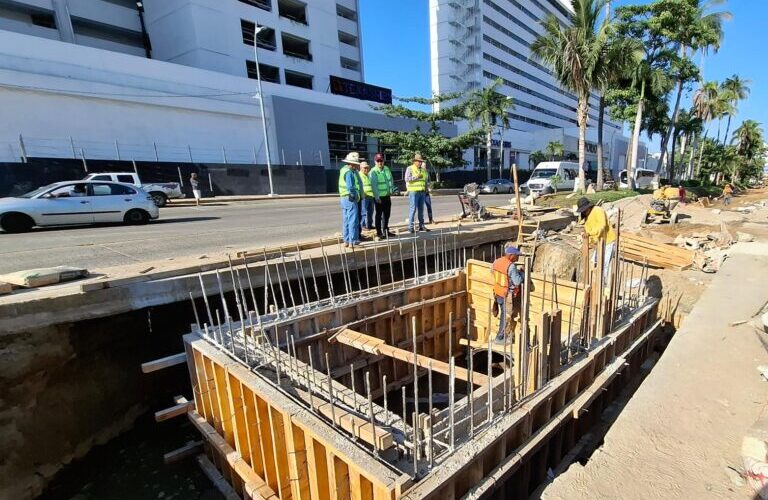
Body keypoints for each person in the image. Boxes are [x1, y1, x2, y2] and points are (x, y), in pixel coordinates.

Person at [575, 197, 616, 280]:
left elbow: (602, 226)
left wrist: (589, 233)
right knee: (594, 262)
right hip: (599, 243)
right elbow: (588, 230)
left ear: (588, 207)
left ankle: (603, 283)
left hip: (608, 241)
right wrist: (588, 241)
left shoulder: (598, 210)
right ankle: (595, 280)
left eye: (584, 210)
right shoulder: (586, 216)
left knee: (605, 264)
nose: (583, 212)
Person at [492, 246, 523, 343]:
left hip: (497, 292)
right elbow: (517, 281)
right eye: (516, 256)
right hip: (506, 294)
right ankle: (500, 338)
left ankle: (501, 336)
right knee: (506, 317)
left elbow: (492, 271)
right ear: (511, 255)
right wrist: (522, 274)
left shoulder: (497, 261)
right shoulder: (511, 266)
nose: (517, 258)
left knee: (503, 315)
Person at [338, 152, 363, 247]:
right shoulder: (349, 172)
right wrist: (354, 195)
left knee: (346, 220)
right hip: (350, 198)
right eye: (356, 164)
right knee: (353, 220)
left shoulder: (343, 170)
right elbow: (350, 186)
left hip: (343, 198)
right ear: (352, 164)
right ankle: (353, 241)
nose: (357, 166)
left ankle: (346, 240)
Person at [369, 153, 396, 240]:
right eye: (378, 161)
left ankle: (385, 230)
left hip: (387, 196)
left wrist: (391, 190)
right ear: (375, 162)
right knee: (379, 215)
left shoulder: (387, 169)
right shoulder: (373, 171)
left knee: (387, 214)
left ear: (383, 161)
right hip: (379, 197)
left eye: (381, 160)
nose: (380, 162)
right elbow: (374, 186)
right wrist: (377, 197)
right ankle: (379, 232)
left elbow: (391, 180)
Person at [405, 153, 429, 233]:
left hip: (422, 192)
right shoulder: (410, 168)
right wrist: (416, 177)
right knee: (413, 209)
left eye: (421, 161)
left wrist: (426, 189)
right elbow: (407, 179)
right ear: (414, 161)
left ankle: (421, 226)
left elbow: (425, 180)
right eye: (419, 161)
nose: (420, 163)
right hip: (413, 192)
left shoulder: (423, 170)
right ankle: (410, 227)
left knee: (421, 210)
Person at [359, 161, 374, 231]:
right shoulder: (359, 175)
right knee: (363, 212)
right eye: (364, 168)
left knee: (370, 211)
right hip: (364, 196)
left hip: (370, 195)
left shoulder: (368, 175)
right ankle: (363, 225)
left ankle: (369, 224)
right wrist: (362, 194)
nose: (366, 169)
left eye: (367, 168)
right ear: (361, 168)